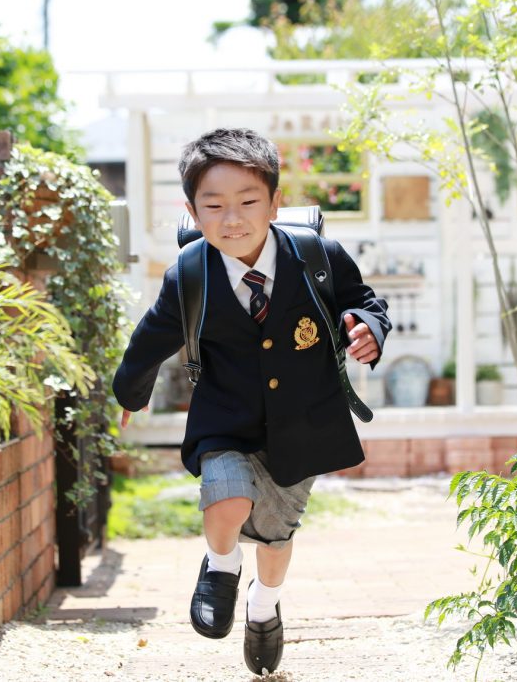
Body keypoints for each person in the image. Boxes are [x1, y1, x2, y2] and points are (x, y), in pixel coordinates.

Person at [112, 128, 390, 675]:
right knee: (226, 497)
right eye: (213, 206)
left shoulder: (318, 257)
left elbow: (364, 302)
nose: (232, 219)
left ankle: (264, 609)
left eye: (247, 202)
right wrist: (130, 391)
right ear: (192, 211)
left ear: (275, 202)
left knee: (276, 536)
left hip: (304, 424)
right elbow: (150, 340)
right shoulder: (190, 276)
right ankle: (219, 567)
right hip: (225, 420)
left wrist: (369, 330)